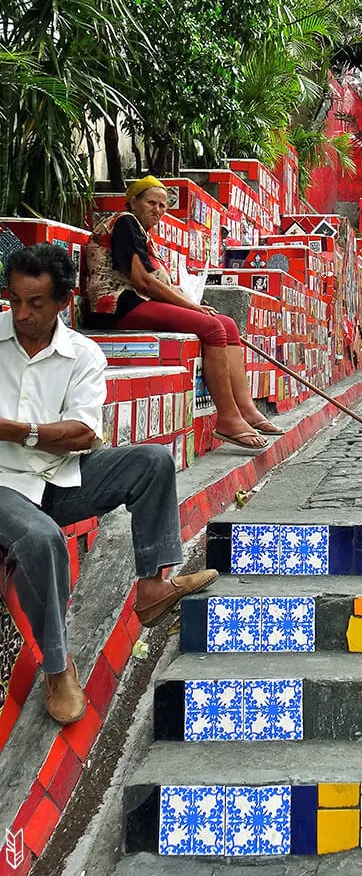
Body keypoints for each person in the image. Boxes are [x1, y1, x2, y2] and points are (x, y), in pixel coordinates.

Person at [0, 244, 218, 725]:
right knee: (42, 538)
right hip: (3, 484)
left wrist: (17, 431)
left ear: (63, 302)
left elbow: (82, 435)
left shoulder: (83, 354)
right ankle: (58, 668)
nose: (22, 313)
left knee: (153, 461)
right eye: (14, 300)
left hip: (57, 477)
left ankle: (153, 586)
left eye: (35, 303)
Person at [83, 176, 282, 450]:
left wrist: (191, 305)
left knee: (228, 325)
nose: (158, 210)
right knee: (212, 327)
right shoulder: (125, 222)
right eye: (151, 202)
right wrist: (192, 307)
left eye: (163, 205)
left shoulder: (140, 232)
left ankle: (246, 409)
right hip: (117, 305)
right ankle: (227, 418)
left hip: (136, 301)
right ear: (133, 201)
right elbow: (143, 281)